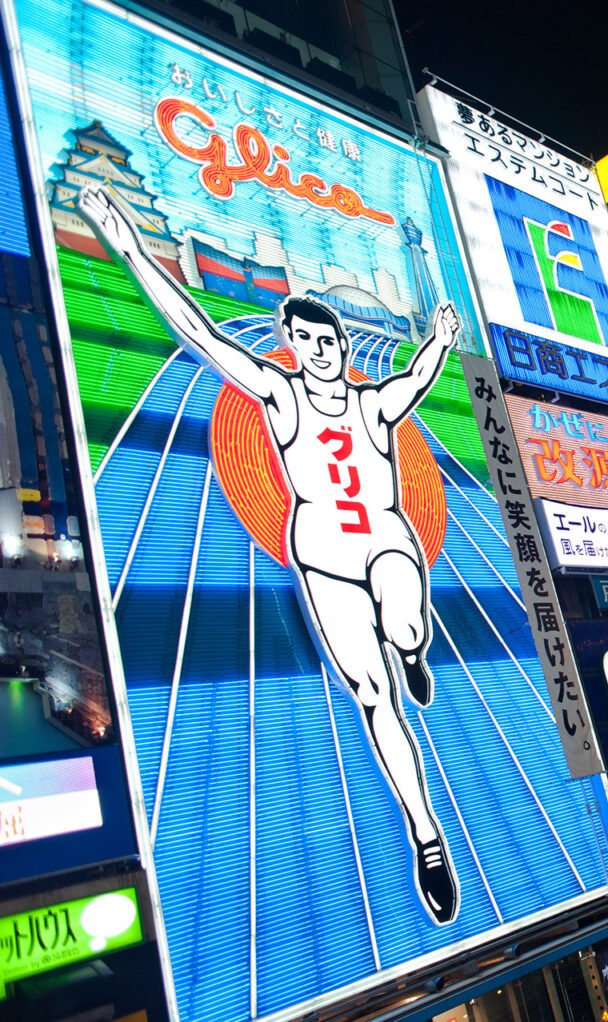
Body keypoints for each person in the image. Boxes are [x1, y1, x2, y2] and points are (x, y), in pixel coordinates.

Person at [79, 185, 461, 924]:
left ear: (343, 348)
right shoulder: (280, 396)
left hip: (384, 540)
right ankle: (426, 834)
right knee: (376, 698)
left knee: (406, 620)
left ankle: (412, 646)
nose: (318, 352)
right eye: (306, 341)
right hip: (324, 558)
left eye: (329, 342)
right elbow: (200, 335)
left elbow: (415, 377)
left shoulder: (370, 403)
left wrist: (442, 338)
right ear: (292, 344)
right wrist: (125, 240)